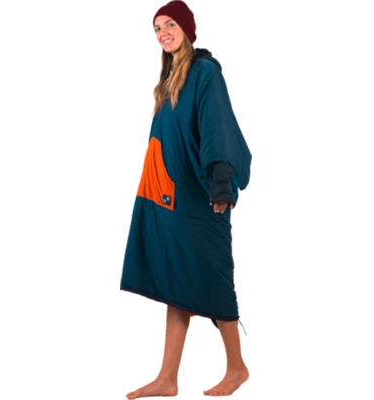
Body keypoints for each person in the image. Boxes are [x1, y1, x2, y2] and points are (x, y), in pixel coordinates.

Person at [120, 1, 252, 397]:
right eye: (157, 28)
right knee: (177, 282)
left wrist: (221, 182)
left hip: (203, 197)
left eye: (170, 25)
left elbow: (218, 126)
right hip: (170, 200)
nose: (163, 33)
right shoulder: (168, 80)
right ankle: (168, 377)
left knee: (214, 278)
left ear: (187, 29)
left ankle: (237, 368)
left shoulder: (205, 72)